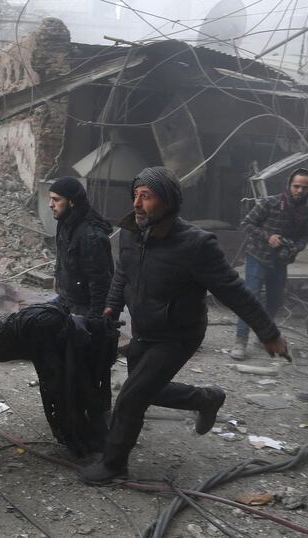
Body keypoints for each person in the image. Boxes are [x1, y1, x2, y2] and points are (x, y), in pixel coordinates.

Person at [79, 167, 290, 485]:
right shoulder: (131, 232)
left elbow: (234, 290)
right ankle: (204, 399)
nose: (136, 203)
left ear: (167, 202)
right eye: (135, 195)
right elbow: (125, 271)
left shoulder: (196, 244)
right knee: (147, 389)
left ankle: (113, 464)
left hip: (178, 335)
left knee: (132, 397)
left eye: (146, 196)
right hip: (144, 330)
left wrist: (269, 332)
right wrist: (112, 307)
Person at [230, 168, 308, 360]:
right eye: (296, 186)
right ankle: (240, 341)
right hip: (258, 256)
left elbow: (304, 237)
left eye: (304, 188)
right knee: (250, 298)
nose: (299, 191)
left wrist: (296, 247)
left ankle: (264, 335)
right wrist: (268, 237)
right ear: (289, 186)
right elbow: (247, 223)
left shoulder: (305, 211)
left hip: (280, 261)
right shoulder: (270, 202)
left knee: (275, 300)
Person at [48, 176, 114, 320]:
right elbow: (62, 255)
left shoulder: (90, 236)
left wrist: (95, 321)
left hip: (86, 307)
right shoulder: (64, 222)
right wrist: (57, 278)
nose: (50, 204)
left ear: (71, 202)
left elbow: (100, 283)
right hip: (67, 299)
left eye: (56, 199)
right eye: (50, 199)